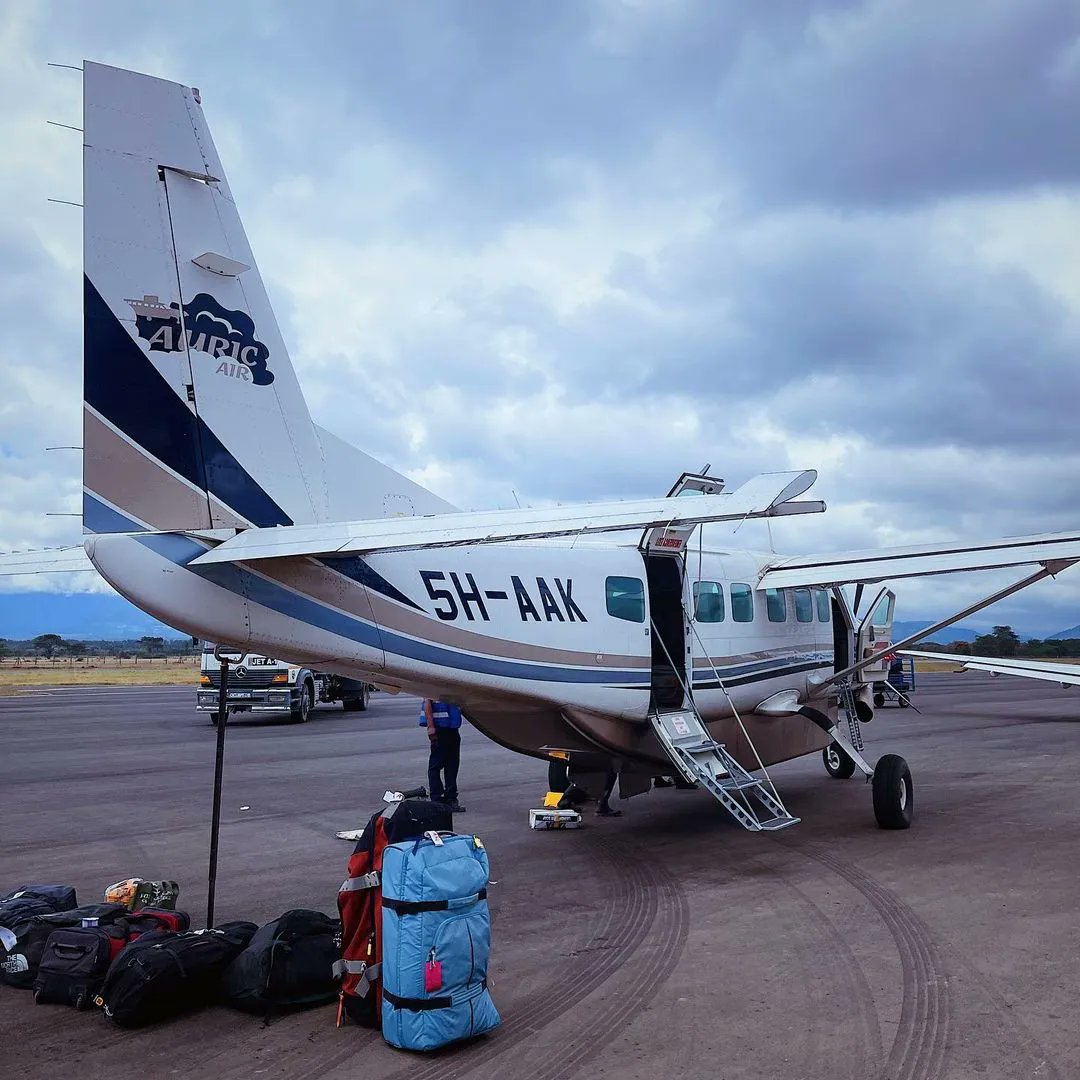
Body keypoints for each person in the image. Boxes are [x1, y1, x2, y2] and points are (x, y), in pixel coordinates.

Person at [420, 699, 465, 812]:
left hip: (452, 729)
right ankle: (437, 799)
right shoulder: (434, 684)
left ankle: (451, 798)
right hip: (439, 729)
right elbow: (427, 703)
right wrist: (430, 727)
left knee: (452, 765)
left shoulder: (451, 686)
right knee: (435, 766)